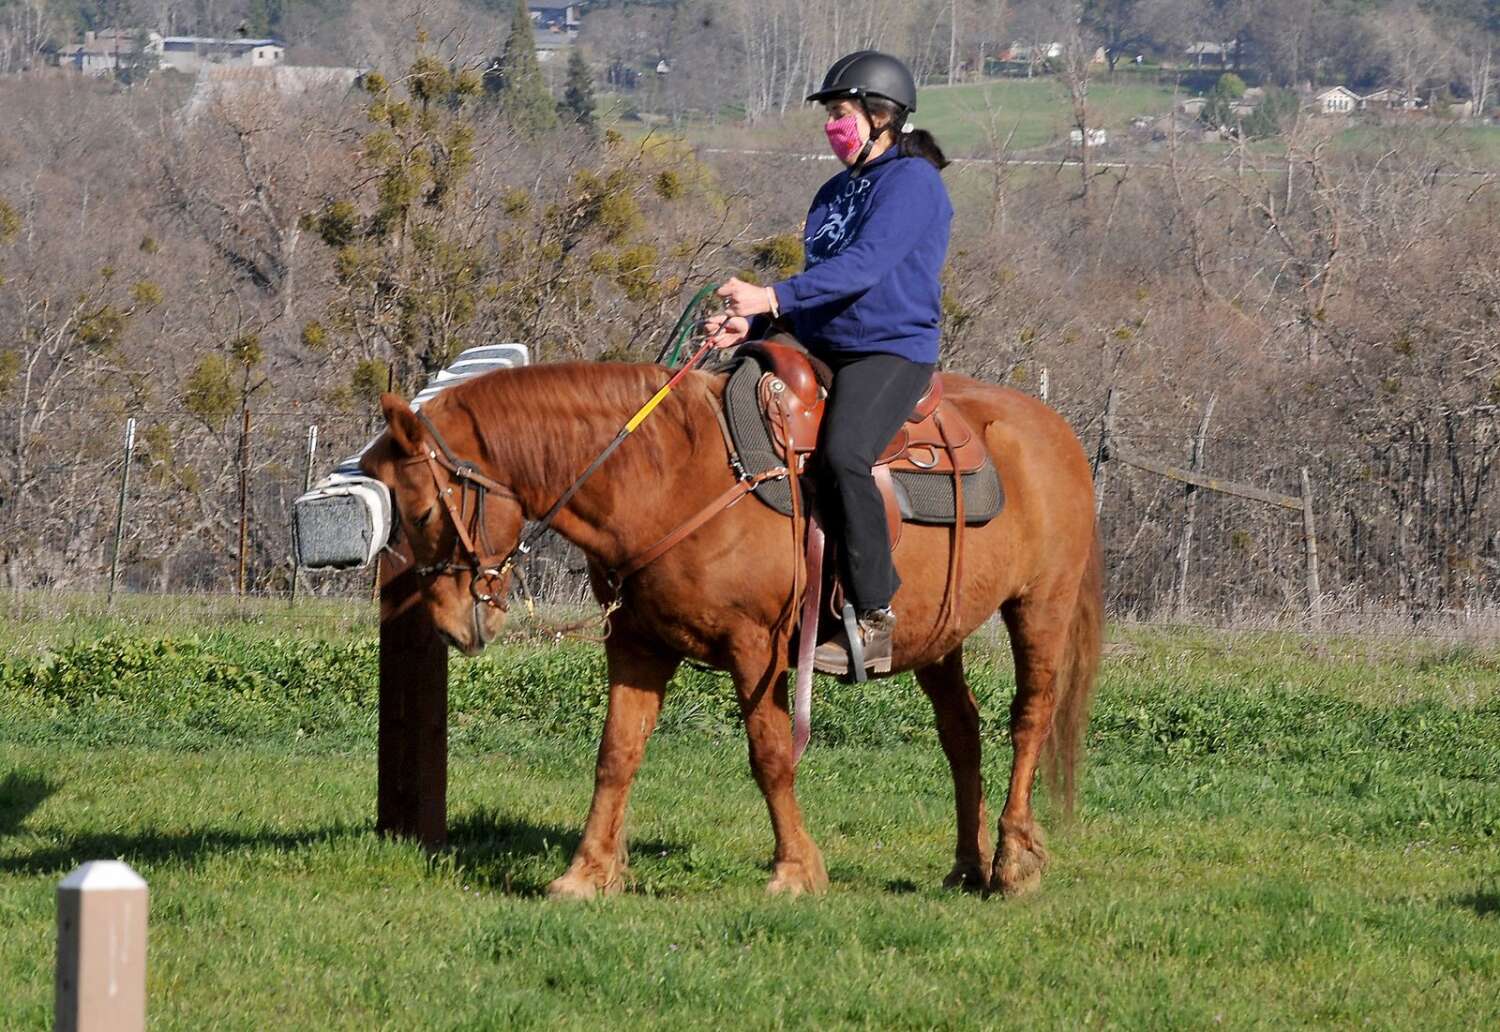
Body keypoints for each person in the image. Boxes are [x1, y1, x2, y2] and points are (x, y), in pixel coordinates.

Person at [706, 50, 953, 676]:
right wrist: (753, 324)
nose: (831, 126)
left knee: (844, 455)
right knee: (727, 404)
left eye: (841, 112)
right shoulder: (834, 191)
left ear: (881, 115)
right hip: (821, 342)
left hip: (888, 348)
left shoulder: (913, 183)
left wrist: (770, 296)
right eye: (831, 115)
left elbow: (864, 267)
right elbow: (820, 282)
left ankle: (873, 616)